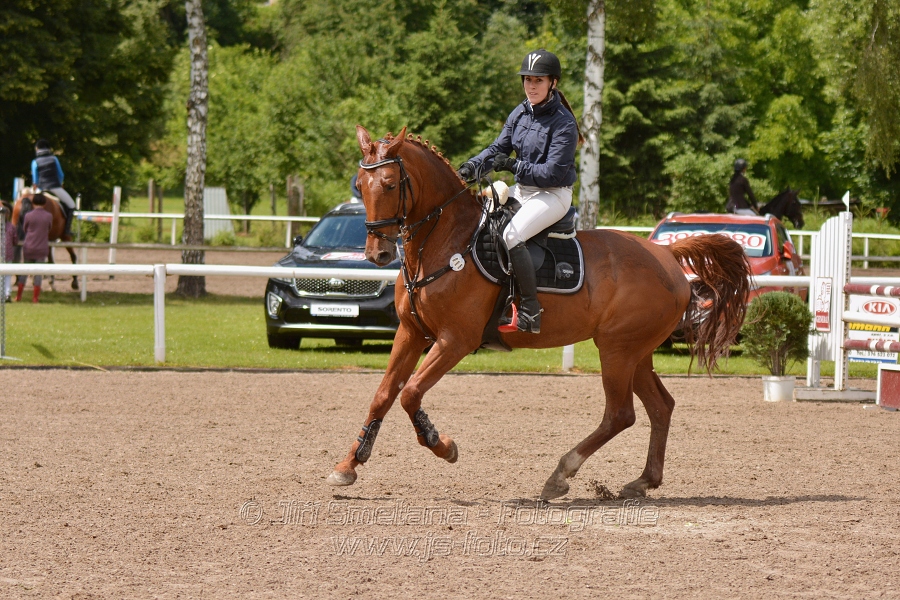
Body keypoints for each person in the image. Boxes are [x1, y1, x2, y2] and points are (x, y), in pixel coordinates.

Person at [457, 49, 581, 334]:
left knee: (512, 235)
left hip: (553, 194)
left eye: (538, 80)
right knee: (478, 223)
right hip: (523, 190)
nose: (531, 86)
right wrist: (471, 167)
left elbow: (552, 173)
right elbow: (497, 148)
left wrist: (514, 165)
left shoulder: (564, 123)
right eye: (527, 79)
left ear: (553, 83)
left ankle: (530, 309)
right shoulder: (520, 112)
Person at [31, 139, 75, 235]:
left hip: (41, 189)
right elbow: (61, 175)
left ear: (37, 149)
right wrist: (60, 183)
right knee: (71, 205)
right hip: (55, 187)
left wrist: (35, 187)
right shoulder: (54, 159)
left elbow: (35, 180)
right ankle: (66, 230)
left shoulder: (35, 162)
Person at [15, 192, 53, 303]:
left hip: (29, 247)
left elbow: (24, 228)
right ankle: (35, 298)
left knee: (24, 272)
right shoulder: (49, 216)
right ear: (44, 203)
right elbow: (49, 228)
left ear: (33, 202)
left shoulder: (28, 215)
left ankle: (18, 296)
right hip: (41, 247)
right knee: (38, 274)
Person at [1, 200, 16, 302]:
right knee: (7, 275)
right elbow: (15, 240)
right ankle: (7, 293)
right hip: (8, 253)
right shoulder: (11, 227)